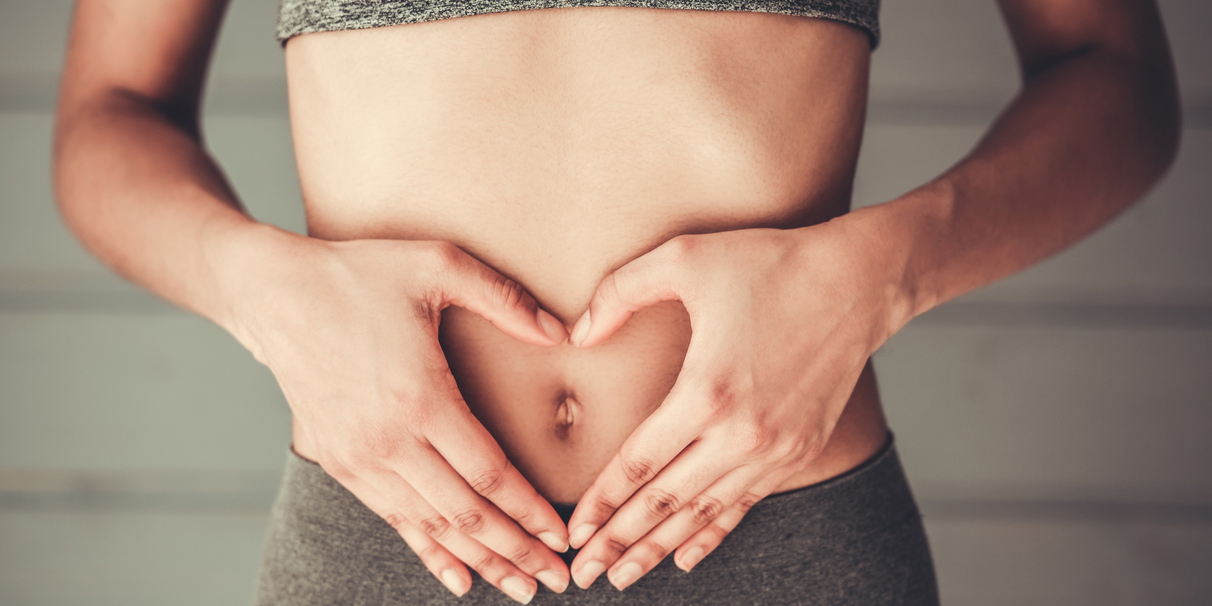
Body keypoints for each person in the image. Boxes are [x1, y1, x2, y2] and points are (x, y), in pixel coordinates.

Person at [51, 0, 1180, 603]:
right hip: (395, 542)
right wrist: (264, 292)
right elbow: (111, 110)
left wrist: (878, 275)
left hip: (779, 539)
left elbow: (1115, 79)